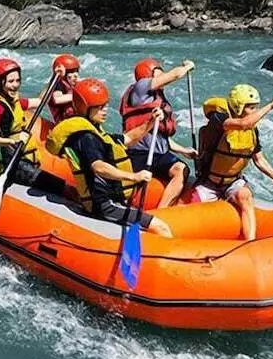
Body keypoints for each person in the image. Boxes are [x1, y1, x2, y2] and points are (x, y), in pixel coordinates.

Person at [46, 78, 173, 237]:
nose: (105, 110)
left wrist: (151, 121)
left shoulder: (97, 132)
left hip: (113, 200)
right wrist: (134, 176)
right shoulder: (86, 138)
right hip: (104, 205)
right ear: (85, 108)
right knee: (161, 228)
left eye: (105, 105)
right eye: (99, 107)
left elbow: (128, 139)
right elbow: (98, 167)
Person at [192, 84, 273, 241]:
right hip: (209, 182)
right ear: (238, 107)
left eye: (255, 107)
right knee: (192, 208)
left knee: (245, 195)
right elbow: (242, 124)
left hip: (233, 182)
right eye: (251, 108)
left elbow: (259, 160)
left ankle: (250, 242)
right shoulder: (218, 119)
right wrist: (270, 106)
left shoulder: (252, 131)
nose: (254, 111)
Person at [0, 58, 65, 194]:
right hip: (10, 161)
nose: (15, 85)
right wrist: (14, 141)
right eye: (11, 81)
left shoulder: (12, 101)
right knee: (62, 188)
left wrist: (54, 78)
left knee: (59, 186)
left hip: (22, 157)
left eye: (18, 81)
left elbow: (40, 101)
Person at [119, 58, 198, 208]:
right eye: (159, 71)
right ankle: (154, 209)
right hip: (139, 154)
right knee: (178, 169)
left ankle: (163, 209)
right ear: (149, 73)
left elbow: (159, 137)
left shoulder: (155, 97)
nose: (163, 74)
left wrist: (184, 151)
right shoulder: (141, 87)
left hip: (158, 155)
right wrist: (187, 67)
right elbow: (175, 75)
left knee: (181, 169)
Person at [48, 53, 81, 124]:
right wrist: (78, 96)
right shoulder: (57, 83)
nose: (75, 75)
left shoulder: (76, 82)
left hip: (76, 118)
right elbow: (57, 99)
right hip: (63, 121)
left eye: (76, 71)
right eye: (70, 72)